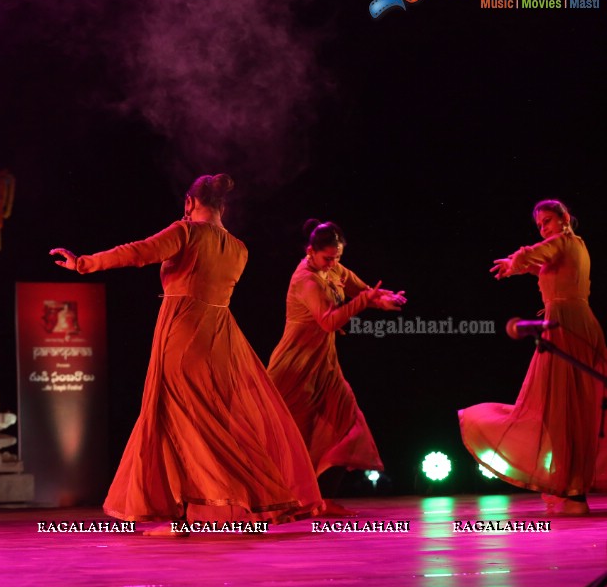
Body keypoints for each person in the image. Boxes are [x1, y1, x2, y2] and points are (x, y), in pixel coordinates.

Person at [50, 174, 323, 533]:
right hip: (224, 341)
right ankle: (208, 505)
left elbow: (138, 252)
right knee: (209, 422)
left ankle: (239, 498)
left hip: (182, 334)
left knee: (175, 420)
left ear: (190, 202)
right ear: (223, 206)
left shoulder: (187, 232)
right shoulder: (240, 249)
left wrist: (84, 263)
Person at [461, 200, 606, 515]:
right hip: (565, 323)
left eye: (549, 221)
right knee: (562, 410)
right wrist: (517, 266)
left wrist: (515, 261)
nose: (545, 229)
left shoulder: (565, 242)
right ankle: (570, 487)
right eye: (540, 226)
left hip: (569, 325)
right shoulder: (567, 248)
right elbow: (540, 265)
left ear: (565, 218)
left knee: (568, 410)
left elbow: (533, 254)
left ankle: (574, 491)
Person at [267, 220, 406, 516]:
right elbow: (329, 321)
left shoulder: (332, 270)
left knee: (347, 423)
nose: (333, 263)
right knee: (291, 434)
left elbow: (363, 290)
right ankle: (283, 499)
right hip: (296, 364)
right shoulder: (306, 279)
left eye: (337, 258)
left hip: (325, 364)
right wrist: (365, 301)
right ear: (311, 252)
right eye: (327, 258)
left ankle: (324, 499)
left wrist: (383, 299)